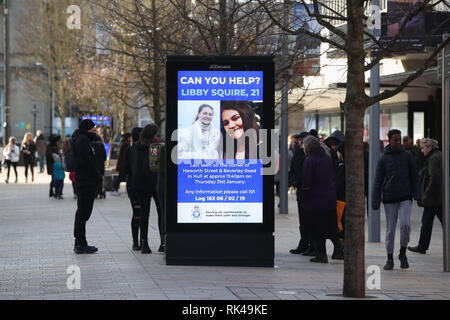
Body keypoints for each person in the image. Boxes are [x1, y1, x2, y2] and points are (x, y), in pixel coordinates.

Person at [372, 129, 417, 270]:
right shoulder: (383, 158)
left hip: (405, 196)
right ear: (389, 140)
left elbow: (414, 176)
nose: (398, 142)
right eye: (395, 139)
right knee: (390, 229)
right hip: (390, 197)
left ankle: (402, 253)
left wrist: (418, 194)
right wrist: (375, 198)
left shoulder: (407, 156)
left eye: (399, 139)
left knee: (406, 225)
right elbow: (378, 180)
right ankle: (389, 257)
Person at [301, 136, 342, 263]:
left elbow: (307, 181)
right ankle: (339, 248)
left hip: (316, 200)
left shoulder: (310, 160)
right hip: (329, 198)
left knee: (317, 229)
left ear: (308, 147)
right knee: (330, 227)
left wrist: (304, 195)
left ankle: (321, 254)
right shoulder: (326, 158)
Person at [126, 124, 162, 253]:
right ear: (152, 135)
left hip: (139, 185)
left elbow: (127, 169)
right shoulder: (156, 148)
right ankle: (163, 242)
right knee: (161, 213)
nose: (158, 137)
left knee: (143, 214)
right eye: (157, 135)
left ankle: (144, 243)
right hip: (156, 184)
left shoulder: (132, 149)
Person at [408, 138, 443, 255]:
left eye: (423, 148)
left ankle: (422, 246)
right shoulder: (438, 155)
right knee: (443, 220)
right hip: (439, 196)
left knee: (426, 222)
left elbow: (434, 178)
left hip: (433, 197)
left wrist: (426, 193)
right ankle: (422, 245)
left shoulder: (433, 158)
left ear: (429, 148)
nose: (422, 151)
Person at [72, 119, 102, 254]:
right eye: (93, 128)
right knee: (83, 213)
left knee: (83, 213)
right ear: (88, 129)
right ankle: (80, 243)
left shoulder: (82, 139)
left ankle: (80, 242)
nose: (95, 130)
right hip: (86, 181)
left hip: (84, 181)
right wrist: (97, 176)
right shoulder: (83, 140)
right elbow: (87, 161)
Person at [289, 132, 310, 255]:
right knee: (302, 219)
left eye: (302, 140)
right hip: (300, 189)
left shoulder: (308, 155)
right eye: (298, 140)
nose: (299, 142)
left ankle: (308, 244)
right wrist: (293, 181)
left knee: (308, 218)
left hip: (307, 189)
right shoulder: (298, 152)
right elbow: (293, 168)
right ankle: (303, 243)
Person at [92, 134, 107, 199]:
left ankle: (95, 193)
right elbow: (104, 157)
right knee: (100, 179)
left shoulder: (91, 144)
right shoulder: (101, 145)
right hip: (101, 165)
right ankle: (100, 192)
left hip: (93, 165)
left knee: (94, 180)